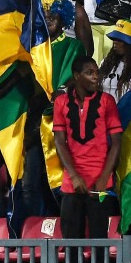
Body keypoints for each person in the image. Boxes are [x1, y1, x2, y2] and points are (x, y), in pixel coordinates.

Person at [52, 56, 122, 239]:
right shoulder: (61, 102)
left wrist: (105, 177)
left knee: (99, 244)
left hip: (100, 183)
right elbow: (59, 142)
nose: (95, 77)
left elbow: (116, 143)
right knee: (70, 244)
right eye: (89, 73)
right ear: (77, 76)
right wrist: (74, 176)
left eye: (97, 73)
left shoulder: (107, 101)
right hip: (71, 183)